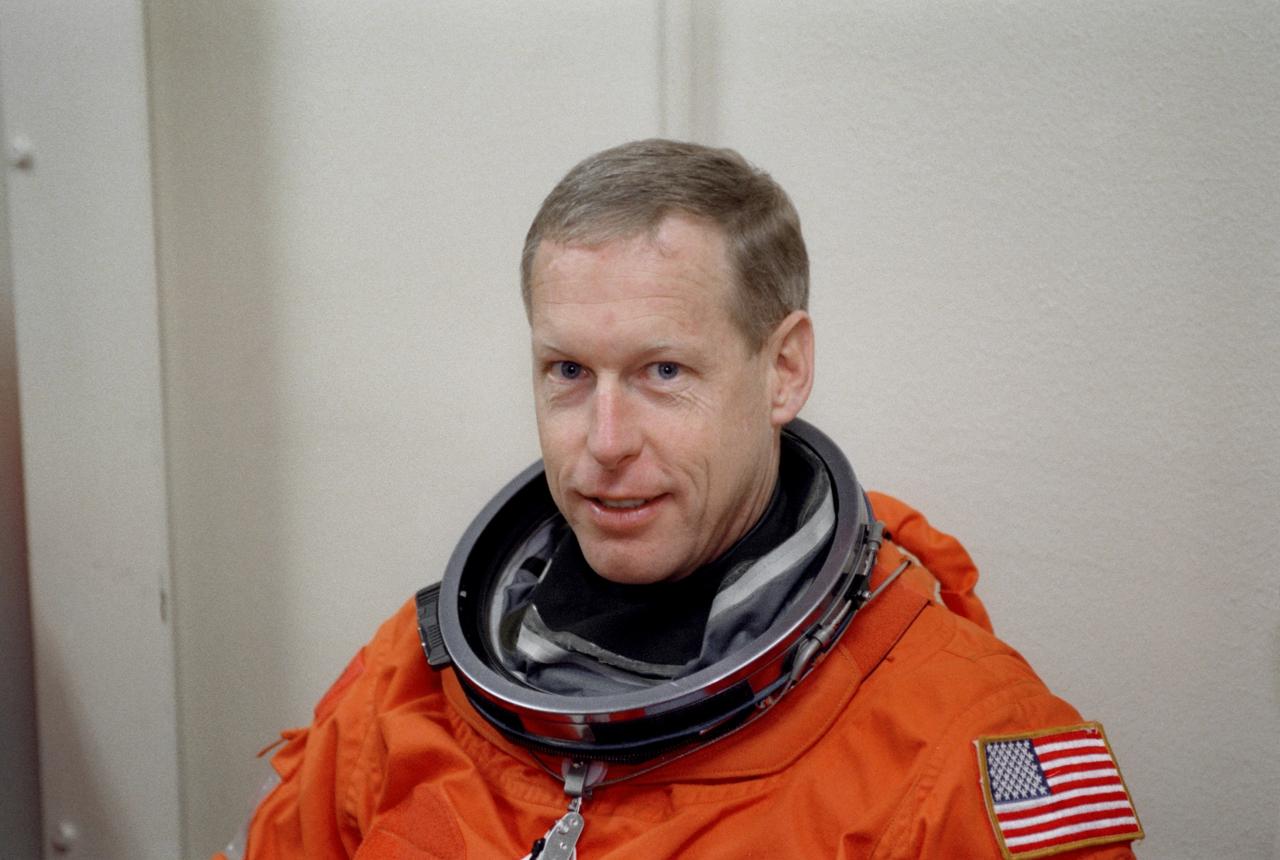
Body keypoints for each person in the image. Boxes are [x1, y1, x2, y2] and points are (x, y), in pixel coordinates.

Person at [220, 140, 1143, 858]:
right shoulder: (410, 681)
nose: (605, 441)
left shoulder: (963, 744)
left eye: (663, 371)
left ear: (784, 370)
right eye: (568, 371)